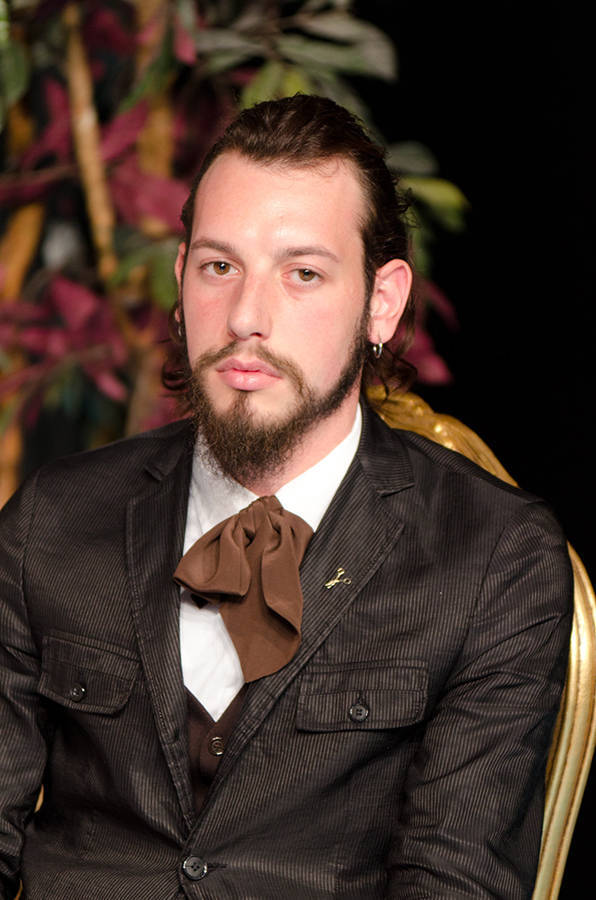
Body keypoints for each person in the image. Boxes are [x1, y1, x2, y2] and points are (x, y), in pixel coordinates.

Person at [0, 95, 572, 899]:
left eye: (302, 273)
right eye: (219, 266)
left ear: (381, 302)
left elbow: (454, 882)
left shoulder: (493, 557)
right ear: (181, 279)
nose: (246, 317)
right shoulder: (52, 519)